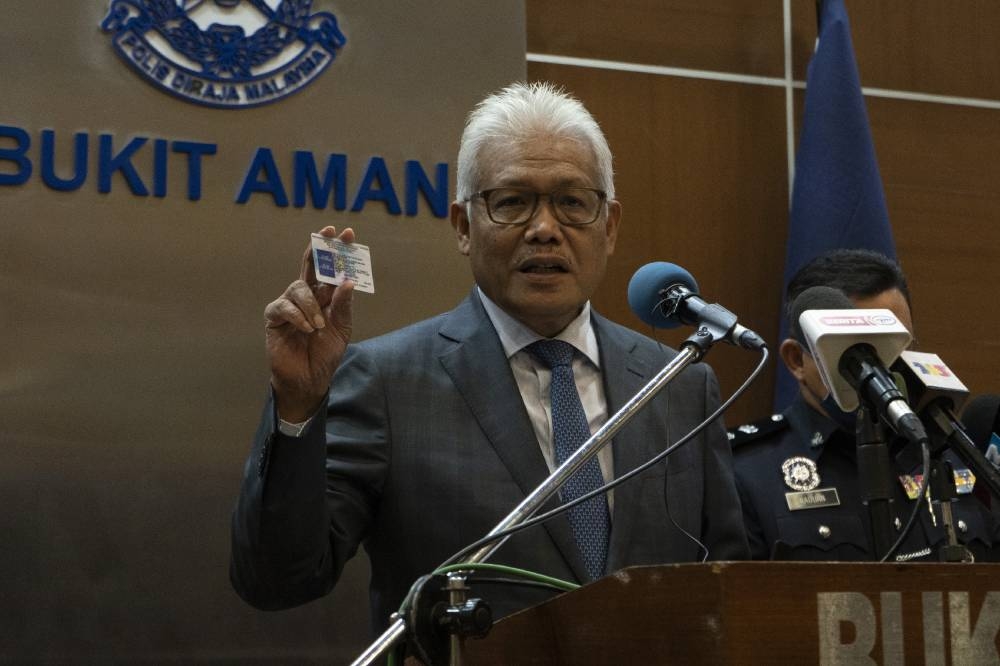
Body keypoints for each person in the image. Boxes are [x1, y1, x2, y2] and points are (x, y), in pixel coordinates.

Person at [230, 81, 748, 633]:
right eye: (512, 202)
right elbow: (277, 580)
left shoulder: (680, 384)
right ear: (462, 226)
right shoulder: (386, 380)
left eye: (572, 203)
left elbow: (731, 586)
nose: (545, 230)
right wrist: (297, 409)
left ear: (610, 226)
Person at [731, 248, 999, 562]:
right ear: (796, 360)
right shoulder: (745, 473)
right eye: (855, 351)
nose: (880, 369)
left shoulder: (948, 448)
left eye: (893, 346)